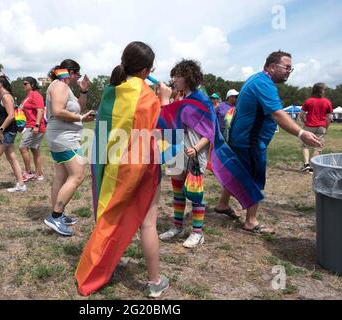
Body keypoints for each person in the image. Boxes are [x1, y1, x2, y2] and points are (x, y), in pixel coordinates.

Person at [75, 41, 170, 298]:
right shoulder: (148, 97)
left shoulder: (110, 92)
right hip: (142, 168)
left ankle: (99, 265)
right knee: (148, 223)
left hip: (112, 166)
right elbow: (167, 138)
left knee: (110, 214)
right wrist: (166, 102)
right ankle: (154, 281)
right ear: (146, 71)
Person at [214, 51, 322, 234]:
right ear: (272, 67)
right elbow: (277, 113)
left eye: (291, 68)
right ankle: (251, 221)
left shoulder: (257, 80)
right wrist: (301, 132)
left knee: (239, 173)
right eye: (286, 67)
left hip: (242, 139)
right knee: (255, 179)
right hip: (251, 142)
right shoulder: (263, 84)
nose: (289, 71)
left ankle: (223, 204)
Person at [159, 60, 210, 248]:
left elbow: (210, 131)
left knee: (195, 193)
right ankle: (177, 226)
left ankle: (197, 232)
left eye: (178, 76)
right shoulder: (178, 100)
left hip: (194, 151)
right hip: (176, 150)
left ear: (188, 77)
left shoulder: (201, 100)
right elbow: (169, 126)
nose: (174, 80)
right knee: (178, 191)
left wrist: (197, 148)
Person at [44, 59, 95, 237]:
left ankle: (58, 213)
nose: (77, 78)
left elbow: (78, 108)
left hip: (60, 137)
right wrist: (81, 119)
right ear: (70, 72)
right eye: (77, 75)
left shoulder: (63, 87)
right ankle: (55, 216)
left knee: (61, 176)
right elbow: (58, 111)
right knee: (78, 175)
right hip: (65, 138)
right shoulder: (60, 86)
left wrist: (84, 90)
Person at [299, 83, 333, 172]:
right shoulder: (327, 102)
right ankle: (312, 167)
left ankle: (306, 164)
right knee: (318, 146)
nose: (325, 91)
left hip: (309, 126)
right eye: (324, 89)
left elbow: (301, 115)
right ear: (321, 91)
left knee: (305, 146)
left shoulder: (308, 101)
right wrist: (326, 127)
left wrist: (305, 122)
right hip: (321, 127)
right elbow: (329, 117)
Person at [19, 77, 46, 182]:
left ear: (32, 85)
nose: (23, 85)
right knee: (34, 149)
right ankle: (38, 174)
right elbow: (22, 110)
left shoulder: (36, 95)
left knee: (23, 148)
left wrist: (37, 125)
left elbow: (40, 110)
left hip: (34, 126)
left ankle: (28, 172)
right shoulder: (28, 97)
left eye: (25, 84)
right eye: (23, 84)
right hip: (29, 125)